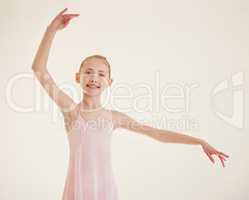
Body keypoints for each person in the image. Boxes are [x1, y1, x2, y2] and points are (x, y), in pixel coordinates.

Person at [31, 8, 229, 200]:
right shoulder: (72, 112)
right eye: (88, 72)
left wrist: (199, 141)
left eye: (101, 74)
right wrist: (51, 29)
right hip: (78, 192)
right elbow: (39, 70)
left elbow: (157, 134)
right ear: (78, 77)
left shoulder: (113, 118)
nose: (94, 78)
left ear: (109, 82)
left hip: (106, 191)